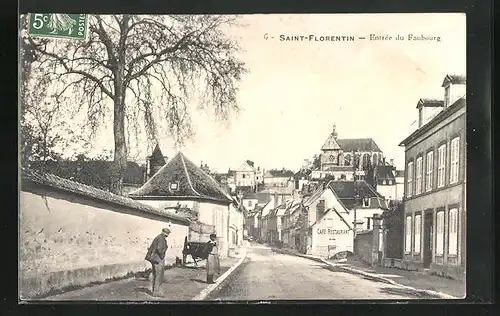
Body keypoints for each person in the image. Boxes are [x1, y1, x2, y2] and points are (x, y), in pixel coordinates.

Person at [145, 228, 170, 297]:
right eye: (166, 233)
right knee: (159, 275)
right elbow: (159, 249)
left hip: (154, 258)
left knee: (156, 275)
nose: (167, 235)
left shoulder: (158, 237)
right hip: (158, 259)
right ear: (163, 232)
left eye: (168, 233)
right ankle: (156, 292)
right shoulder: (161, 238)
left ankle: (155, 291)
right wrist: (162, 257)